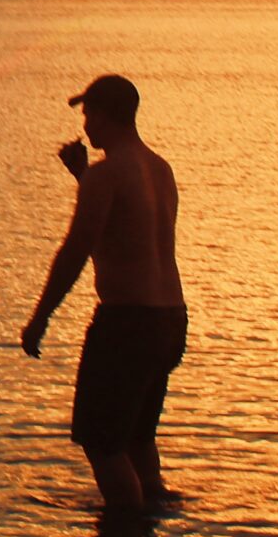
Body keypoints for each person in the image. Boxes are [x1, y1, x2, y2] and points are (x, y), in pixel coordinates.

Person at [19, 74, 188, 513]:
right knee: (137, 435)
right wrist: (83, 177)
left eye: (89, 113)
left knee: (102, 443)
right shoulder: (158, 167)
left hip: (127, 323)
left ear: (107, 114)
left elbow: (77, 250)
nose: (86, 124)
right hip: (169, 319)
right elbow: (125, 231)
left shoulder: (107, 174)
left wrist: (40, 318)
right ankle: (153, 516)